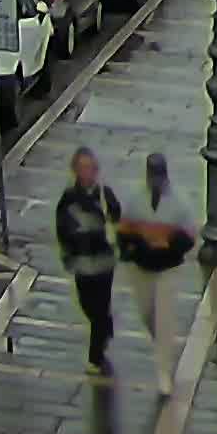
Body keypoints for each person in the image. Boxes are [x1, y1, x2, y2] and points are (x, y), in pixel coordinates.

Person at [118, 152, 197, 366]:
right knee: (147, 314)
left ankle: (165, 370)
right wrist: (134, 249)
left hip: (168, 268)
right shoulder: (135, 199)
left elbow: (189, 237)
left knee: (164, 316)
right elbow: (124, 232)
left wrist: (169, 246)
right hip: (141, 268)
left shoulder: (180, 202)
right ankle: (163, 344)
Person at [54, 148, 123, 375]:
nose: (87, 172)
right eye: (82, 168)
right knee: (88, 306)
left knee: (100, 308)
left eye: (90, 168)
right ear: (75, 171)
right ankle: (105, 326)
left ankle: (96, 357)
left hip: (103, 263)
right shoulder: (69, 198)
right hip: (82, 264)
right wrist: (68, 250)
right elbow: (62, 226)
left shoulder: (105, 194)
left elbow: (118, 218)